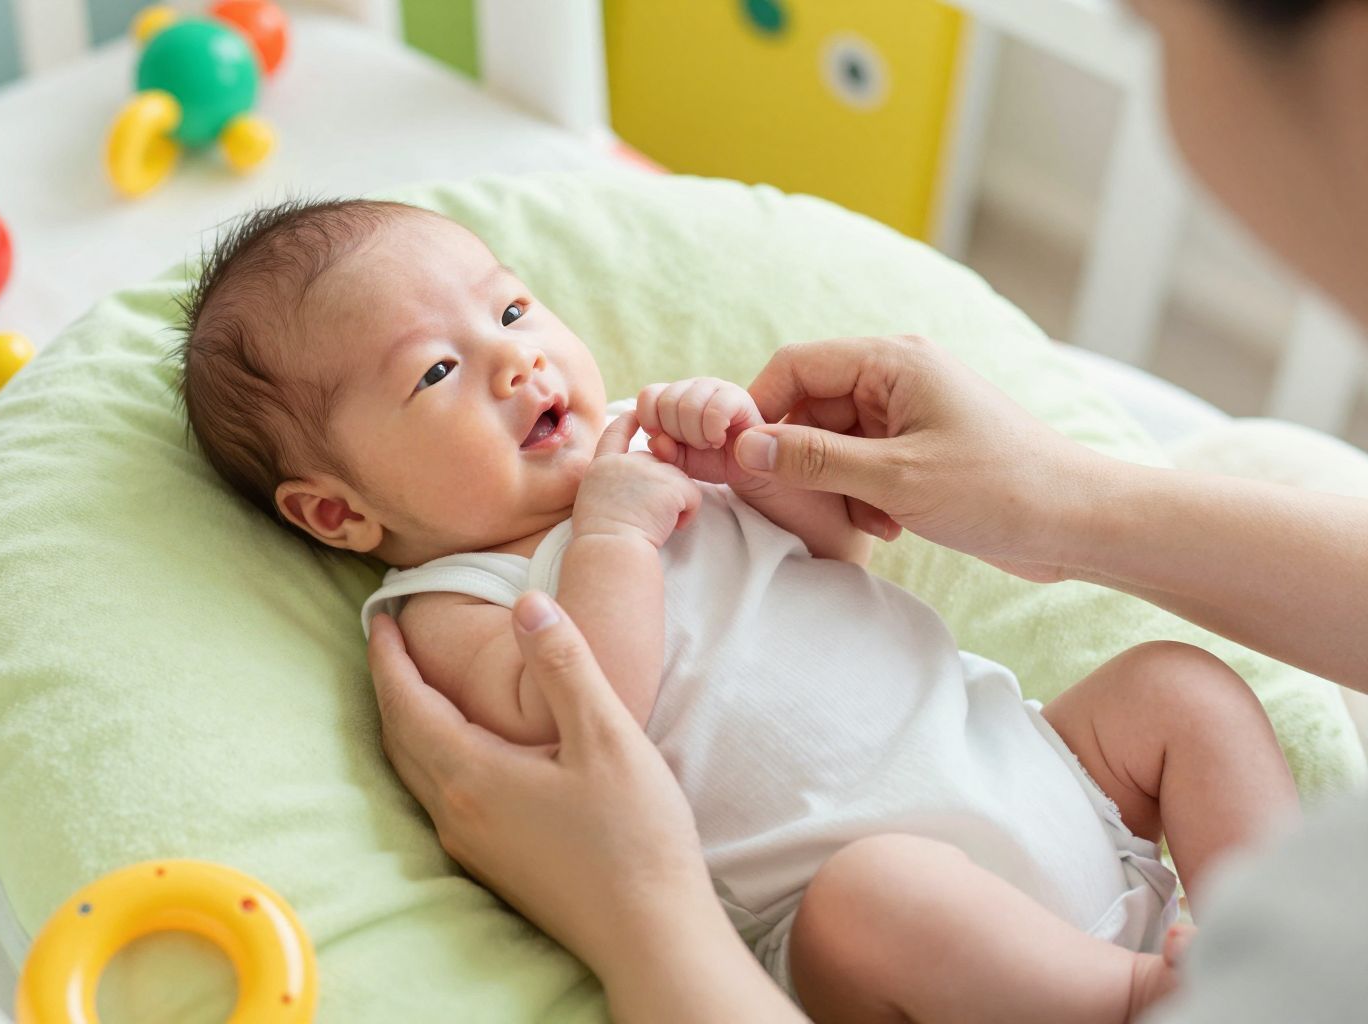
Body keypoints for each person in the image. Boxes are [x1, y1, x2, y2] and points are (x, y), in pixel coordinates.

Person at [368, 0, 1368, 1019]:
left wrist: (755, 470)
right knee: (875, 893)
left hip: (1043, 772)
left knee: (1179, 690)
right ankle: (1141, 994)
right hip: (862, 911)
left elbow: (830, 553)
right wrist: (616, 538)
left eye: (511, 311)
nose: (514, 360)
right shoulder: (449, 600)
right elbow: (584, 712)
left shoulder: (633, 438)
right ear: (338, 510)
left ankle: (1249, 917)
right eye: (438, 370)